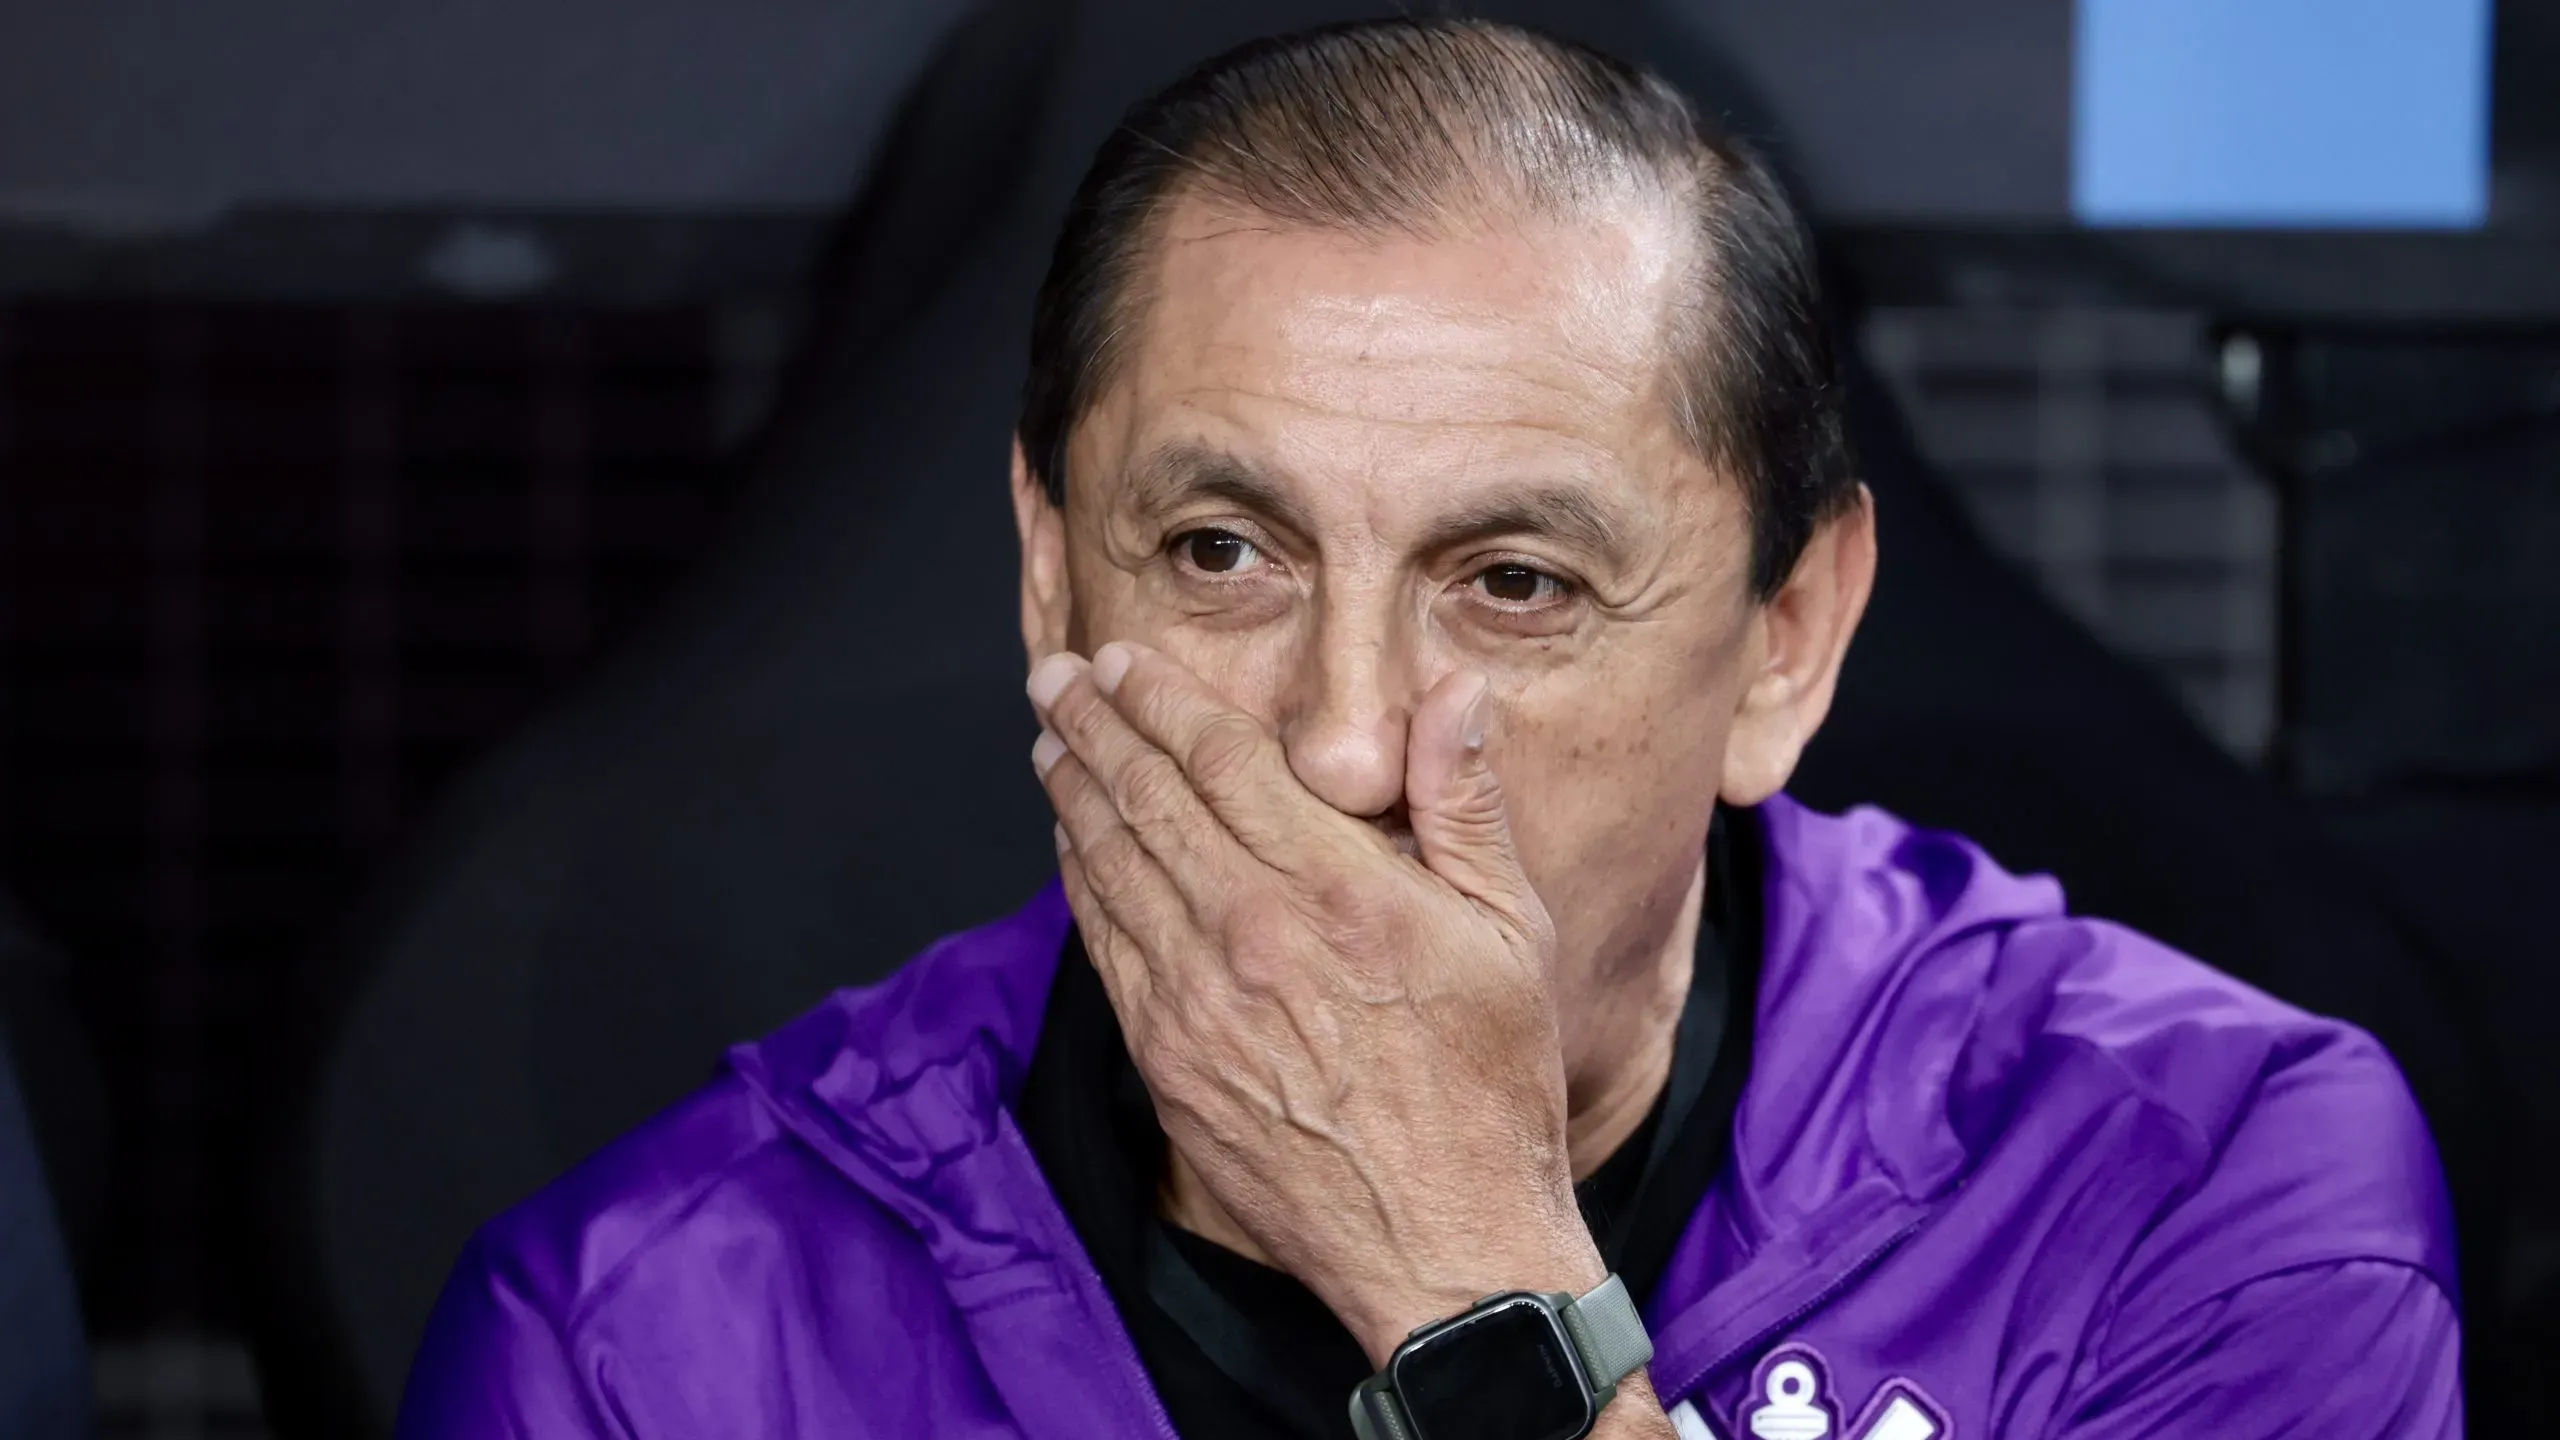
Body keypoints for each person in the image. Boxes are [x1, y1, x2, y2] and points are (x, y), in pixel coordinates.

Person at [398, 19, 2459, 1439]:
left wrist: (1471, 1296)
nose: (1345, 746)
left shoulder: (2194, 1187)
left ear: (1784, 641)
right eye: (1221, 553)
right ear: (1049, 579)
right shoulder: (642, 1335)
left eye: (1513, 585)